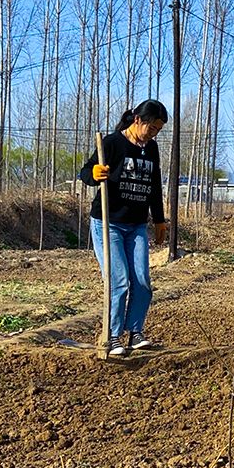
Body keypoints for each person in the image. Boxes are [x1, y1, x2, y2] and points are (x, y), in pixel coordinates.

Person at [79, 100, 169, 356]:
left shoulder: (151, 149)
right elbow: (85, 173)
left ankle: (135, 331)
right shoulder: (111, 143)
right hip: (109, 224)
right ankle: (113, 336)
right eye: (152, 128)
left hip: (137, 225)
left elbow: (154, 186)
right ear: (138, 120)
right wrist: (94, 174)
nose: (153, 134)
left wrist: (159, 219)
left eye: (158, 130)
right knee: (118, 281)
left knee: (142, 282)